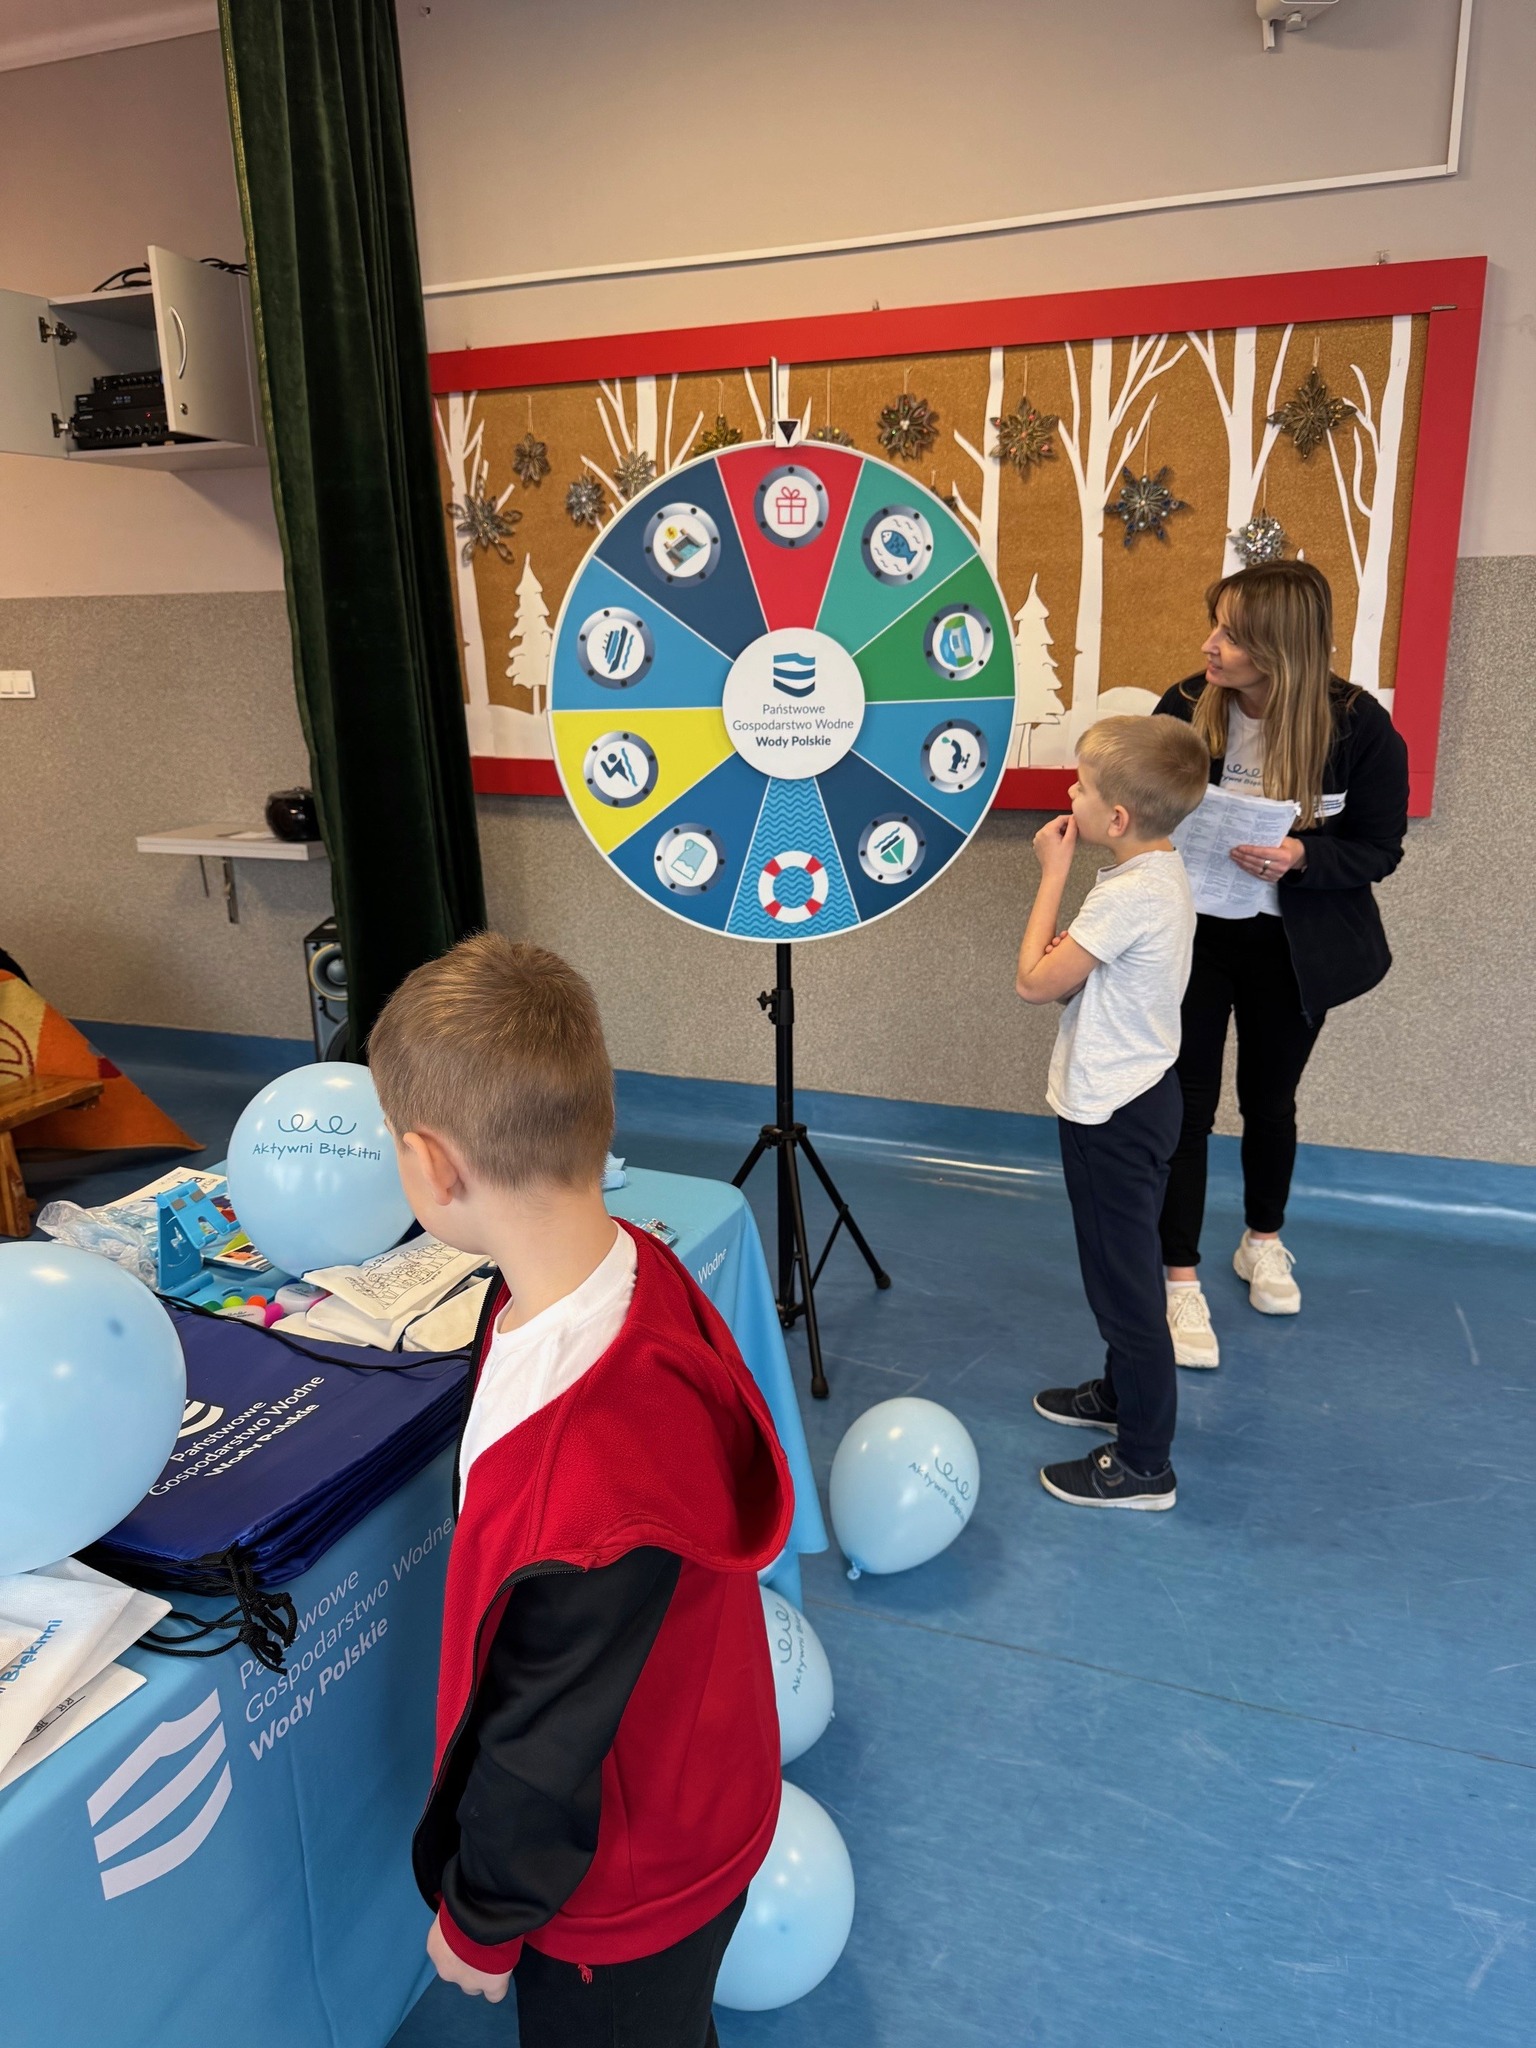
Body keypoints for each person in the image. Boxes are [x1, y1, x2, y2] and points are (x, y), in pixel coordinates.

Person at [368, 934, 791, 2048]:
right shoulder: (636, 1260)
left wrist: (482, 1920)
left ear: (431, 1165)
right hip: (701, 1780)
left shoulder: (586, 1481)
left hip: (627, 1884)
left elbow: (541, 1739)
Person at [1153, 561, 1409, 1367]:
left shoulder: (1359, 727)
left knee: (1270, 1102)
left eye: (1231, 635)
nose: (1210, 645)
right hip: (1196, 940)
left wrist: (1303, 855)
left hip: (1293, 952)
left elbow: (1380, 848)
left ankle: (1262, 1240)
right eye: (1215, 624)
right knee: (1185, 1109)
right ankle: (1179, 1276)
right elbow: (1144, 813)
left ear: (1281, 647)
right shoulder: (1184, 706)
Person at [1015, 715, 1211, 1510]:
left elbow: (1033, 983)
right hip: (1141, 1099)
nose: (1071, 793)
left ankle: (1143, 1464)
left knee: (1125, 1293)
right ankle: (1120, 1393)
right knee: (1116, 1269)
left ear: (1118, 817)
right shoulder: (1157, 874)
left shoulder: (1125, 896)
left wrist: (1052, 871)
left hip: (1114, 1115)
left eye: (1083, 787)